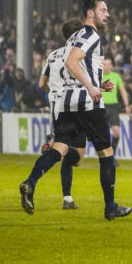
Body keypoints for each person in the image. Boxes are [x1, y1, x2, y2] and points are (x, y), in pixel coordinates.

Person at [19, 0, 132, 220]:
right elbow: (72, 62)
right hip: (86, 101)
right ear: (90, 14)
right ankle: (110, 207)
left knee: (59, 148)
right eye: (103, 10)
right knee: (106, 152)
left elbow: (66, 70)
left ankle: (30, 182)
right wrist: (91, 88)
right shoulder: (91, 34)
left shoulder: (73, 37)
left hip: (66, 101)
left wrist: (98, 85)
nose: (107, 15)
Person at [37, 17, 87, 209]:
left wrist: (56, 90)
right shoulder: (81, 54)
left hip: (58, 108)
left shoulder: (53, 55)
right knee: (77, 158)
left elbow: (42, 84)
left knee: (65, 151)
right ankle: (57, 151)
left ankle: (67, 199)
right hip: (78, 108)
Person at [102, 54, 132, 166]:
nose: (107, 67)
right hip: (101, 107)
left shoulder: (116, 76)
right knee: (103, 134)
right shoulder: (97, 76)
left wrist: (127, 105)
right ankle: (107, 157)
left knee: (117, 133)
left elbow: (123, 91)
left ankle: (111, 155)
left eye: (109, 64)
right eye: (105, 64)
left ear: (112, 65)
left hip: (113, 107)